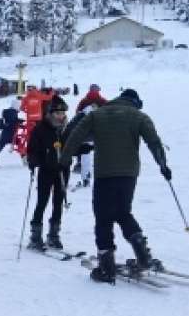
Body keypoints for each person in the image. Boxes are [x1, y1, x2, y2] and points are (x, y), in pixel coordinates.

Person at [60, 89, 170, 283]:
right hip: (128, 174)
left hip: (105, 174)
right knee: (123, 212)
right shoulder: (139, 116)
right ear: (134, 102)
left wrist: (65, 160)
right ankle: (143, 255)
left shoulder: (96, 115)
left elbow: (75, 136)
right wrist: (163, 165)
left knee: (103, 217)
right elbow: (153, 141)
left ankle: (107, 266)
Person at [26, 95, 71, 250]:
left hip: (63, 170)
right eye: (58, 113)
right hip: (46, 170)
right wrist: (33, 161)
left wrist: (83, 149)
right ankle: (35, 236)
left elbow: (73, 147)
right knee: (42, 202)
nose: (61, 116)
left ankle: (53, 235)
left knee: (58, 203)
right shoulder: (41, 128)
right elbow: (32, 149)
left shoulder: (66, 129)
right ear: (50, 113)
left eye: (63, 113)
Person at [0, 99, 21, 168]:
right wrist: (19, 122)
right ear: (16, 105)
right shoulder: (13, 112)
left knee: (0, 147)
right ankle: (25, 161)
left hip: (5, 133)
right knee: (20, 144)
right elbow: (13, 121)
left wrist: (18, 121)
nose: (19, 107)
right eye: (19, 106)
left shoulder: (8, 111)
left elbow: (11, 121)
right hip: (10, 134)